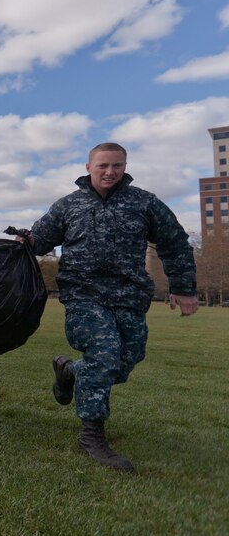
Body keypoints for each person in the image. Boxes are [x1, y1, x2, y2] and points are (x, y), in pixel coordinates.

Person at [23, 143, 198, 473]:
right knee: (104, 354)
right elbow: (39, 240)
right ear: (88, 166)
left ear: (125, 167)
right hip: (83, 294)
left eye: (117, 165)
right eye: (103, 165)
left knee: (125, 361)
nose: (110, 171)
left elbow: (174, 243)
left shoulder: (144, 203)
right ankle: (92, 435)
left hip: (129, 297)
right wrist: (23, 241)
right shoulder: (68, 206)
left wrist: (184, 288)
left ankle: (70, 372)